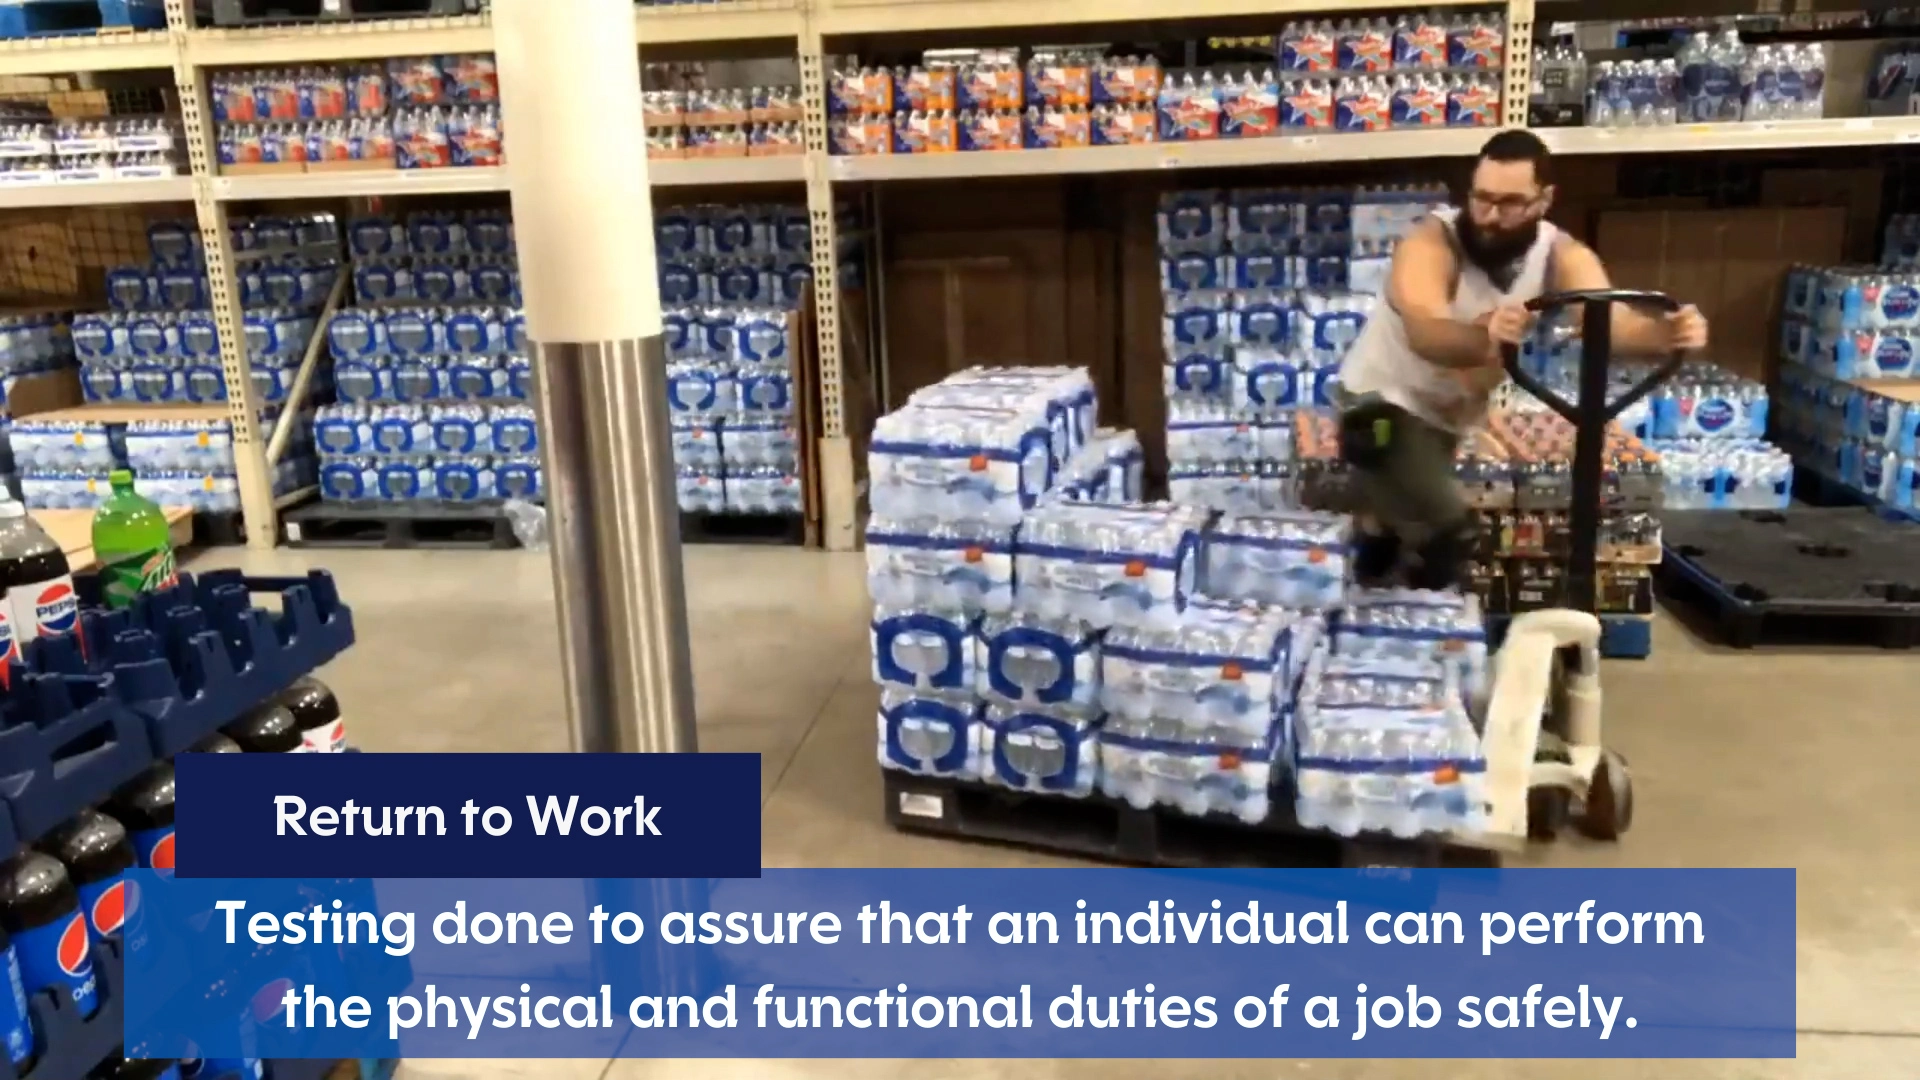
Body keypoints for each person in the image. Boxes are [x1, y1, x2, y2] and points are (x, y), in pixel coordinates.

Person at [1334, 128, 1709, 590]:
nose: (1490, 216)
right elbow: (1426, 334)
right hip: (1379, 404)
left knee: (1392, 524)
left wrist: (1665, 334)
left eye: (1510, 203)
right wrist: (1484, 338)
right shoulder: (1430, 244)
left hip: (1447, 416)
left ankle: (1367, 582)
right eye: (1481, 198)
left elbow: (1607, 321)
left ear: (1544, 200)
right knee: (1448, 532)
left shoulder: (1560, 254)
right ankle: (1428, 632)